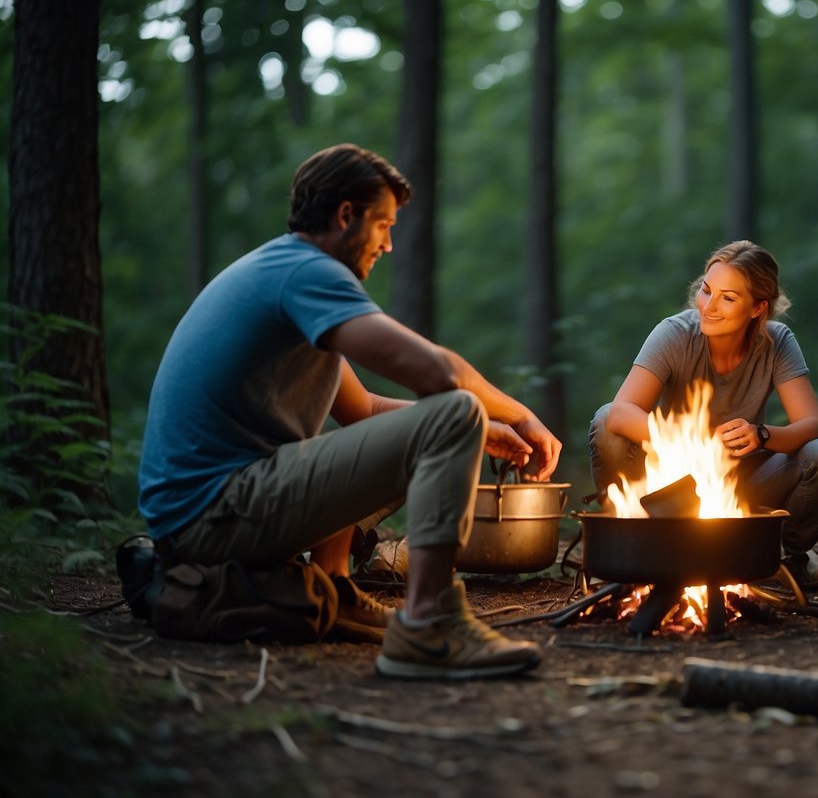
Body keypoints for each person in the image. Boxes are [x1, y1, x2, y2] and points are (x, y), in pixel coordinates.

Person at [138, 143, 562, 680]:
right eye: (383, 224)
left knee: (452, 419)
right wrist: (515, 414)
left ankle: (335, 588)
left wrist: (477, 433)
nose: (388, 243)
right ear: (345, 216)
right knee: (454, 409)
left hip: (209, 512)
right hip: (212, 514)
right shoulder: (308, 273)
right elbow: (442, 377)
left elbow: (361, 413)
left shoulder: (285, 273)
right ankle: (429, 627)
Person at [589, 241, 818, 592]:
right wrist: (688, 443)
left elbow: (812, 425)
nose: (709, 306)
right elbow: (622, 412)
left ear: (758, 308)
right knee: (605, 420)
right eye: (706, 290)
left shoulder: (777, 342)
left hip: (744, 482)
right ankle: (627, 545)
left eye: (728, 298)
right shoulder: (674, 334)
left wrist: (760, 435)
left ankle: (787, 554)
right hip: (669, 486)